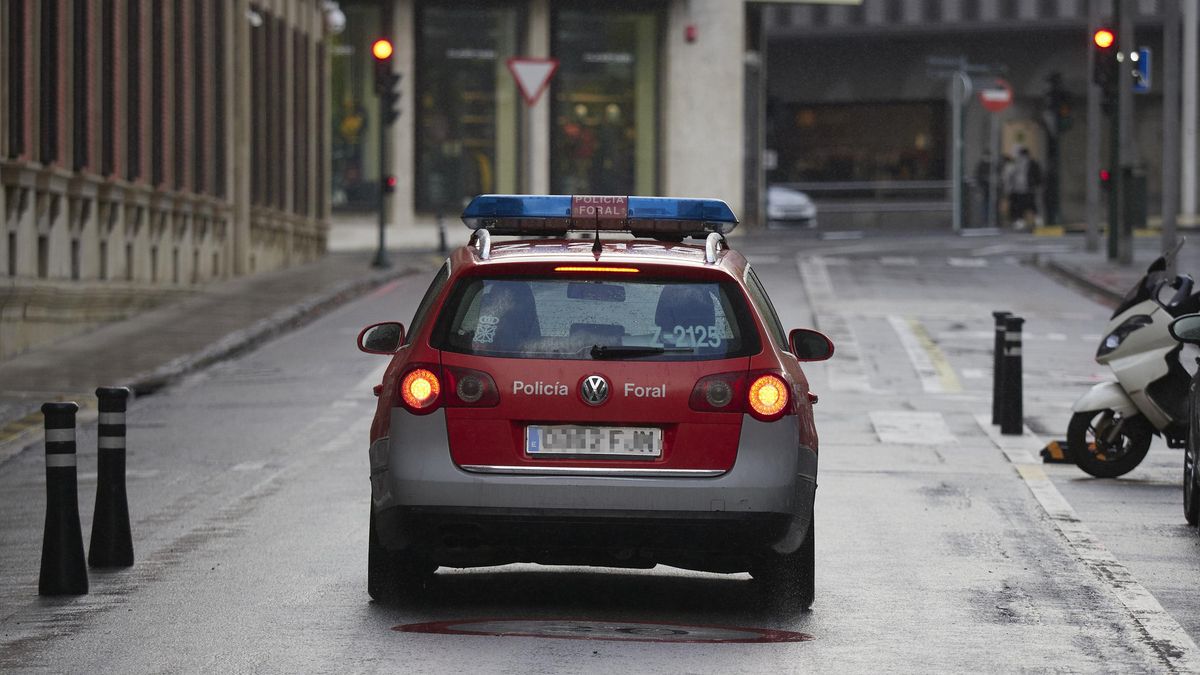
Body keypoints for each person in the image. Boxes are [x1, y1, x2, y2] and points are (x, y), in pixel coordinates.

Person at [1008, 146, 1042, 230]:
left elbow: (1037, 175)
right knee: (1024, 206)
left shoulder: (1030, 163)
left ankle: (1035, 221)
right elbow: (1013, 176)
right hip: (1020, 189)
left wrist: (1036, 184)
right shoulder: (1018, 164)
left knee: (1029, 205)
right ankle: (1023, 222)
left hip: (1026, 188)